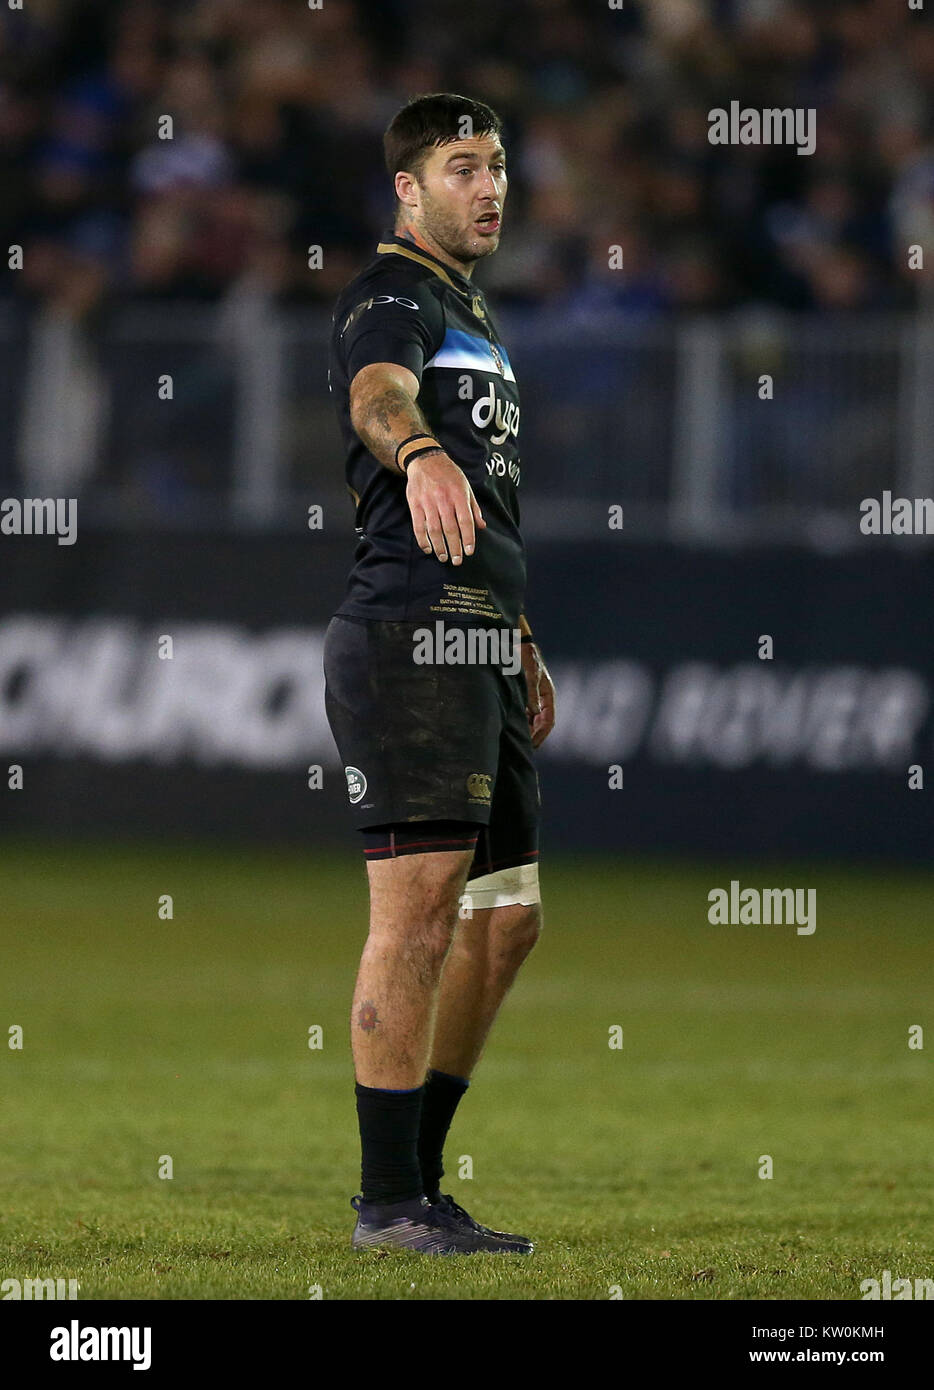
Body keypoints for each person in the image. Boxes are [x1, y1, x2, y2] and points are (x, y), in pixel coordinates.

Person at [324, 92, 556, 1254]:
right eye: (461, 166)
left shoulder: (471, 309)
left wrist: (513, 633)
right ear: (407, 188)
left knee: (504, 923)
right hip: (410, 630)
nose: (489, 186)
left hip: (478, 632)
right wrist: (413, 446)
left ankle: (418, 1175)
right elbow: (378, 395)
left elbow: (488, 497)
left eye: (498, 165)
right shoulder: (392, 296)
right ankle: (387, 1205)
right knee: (416, 917)